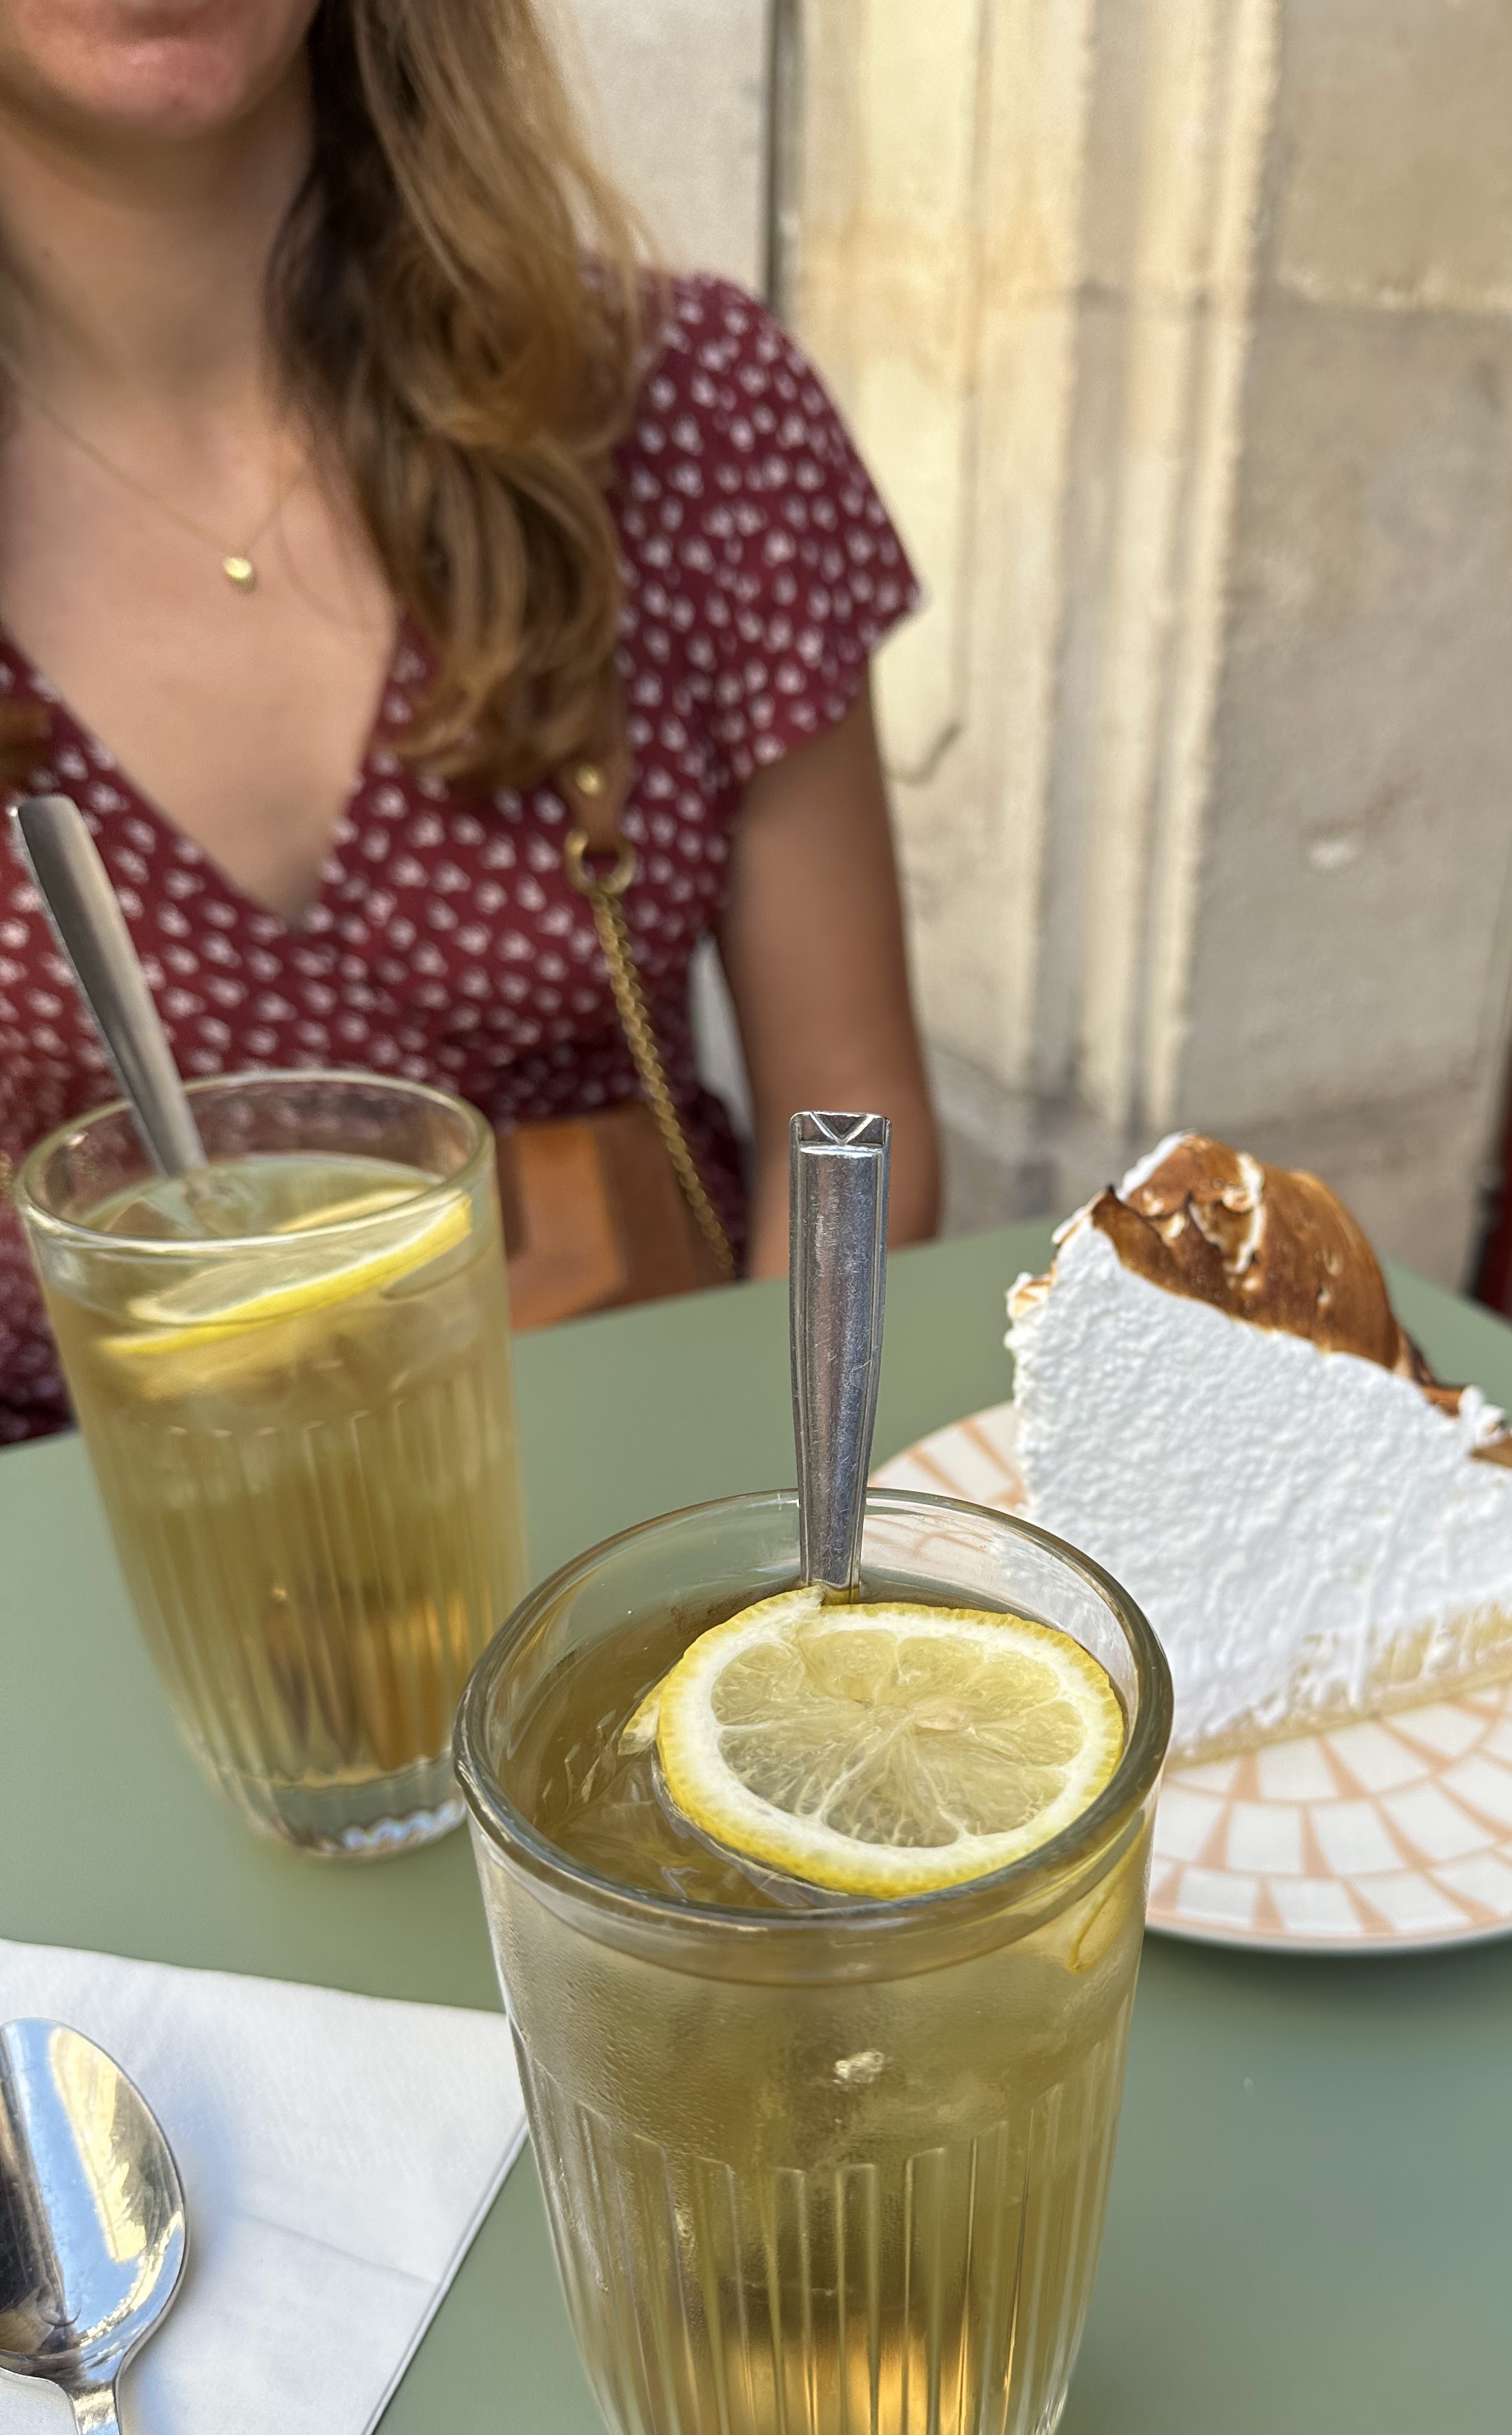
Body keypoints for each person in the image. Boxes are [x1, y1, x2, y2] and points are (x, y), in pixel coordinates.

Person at [0, 0, 939, 1442]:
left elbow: (850, 1110)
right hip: (91, 1532)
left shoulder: (682, 408)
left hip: (644, 1472)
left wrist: (765, 1531)